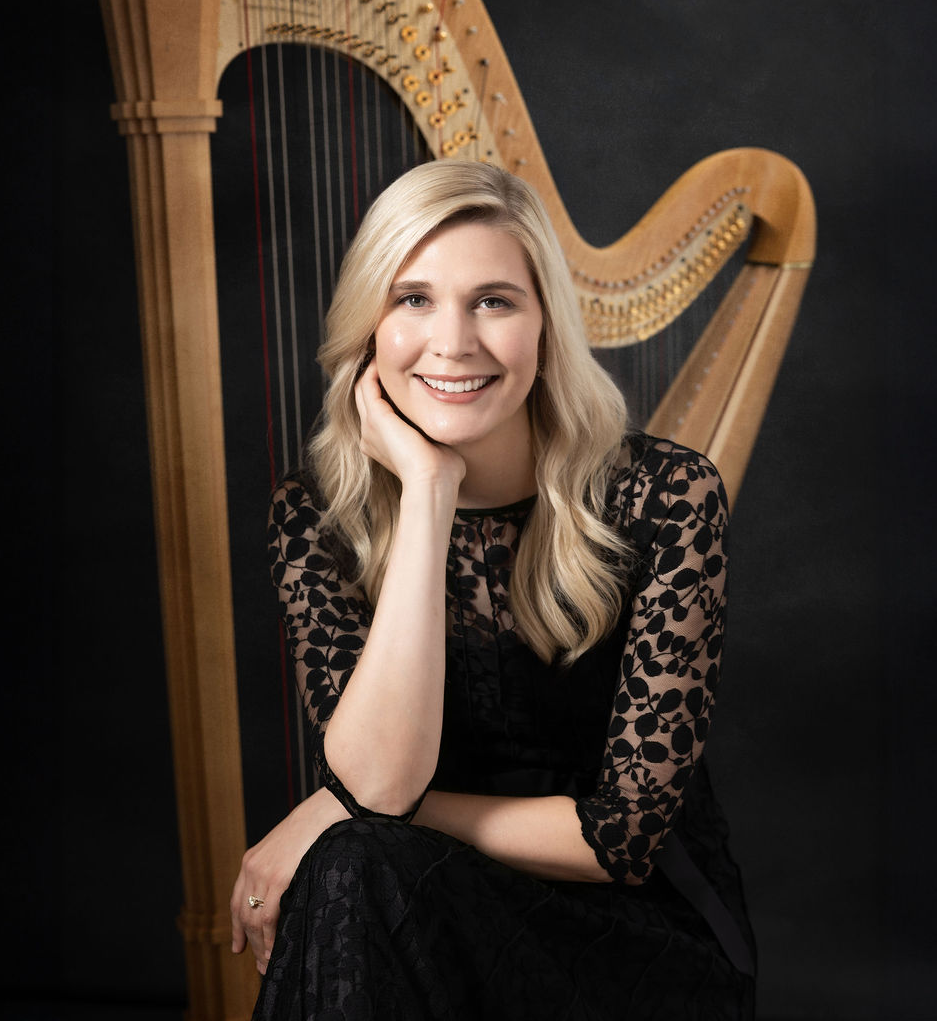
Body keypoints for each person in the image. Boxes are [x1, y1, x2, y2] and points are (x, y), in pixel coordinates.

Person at [230, 160, 755, 1020]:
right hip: (412, 900)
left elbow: (619, 840)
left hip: (635, 939)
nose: (454, 341)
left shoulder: (666, 496)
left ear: (546, 324)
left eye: (494, 300)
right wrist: (430, 492)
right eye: (413, 299)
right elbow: (379, 781)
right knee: (356, 868)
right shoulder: (318, 516)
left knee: (350, 858)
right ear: (369, 325)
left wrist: (332, 811)